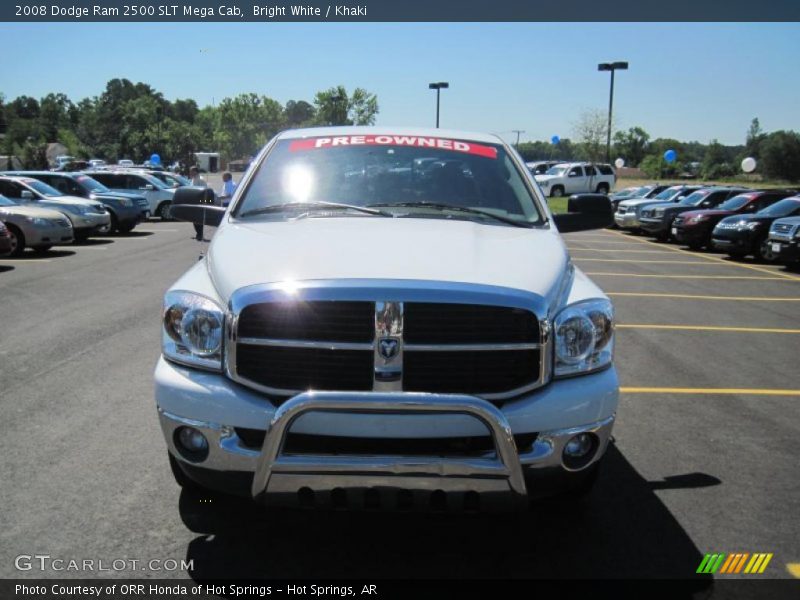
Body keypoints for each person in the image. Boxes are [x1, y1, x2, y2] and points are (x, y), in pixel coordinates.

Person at [189, 166, 208, 241]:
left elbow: (204, 191)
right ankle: (198, 234)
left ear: (195, 172)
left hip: (199, 202)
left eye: (191, 171)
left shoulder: (201, 180)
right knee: (194, 219)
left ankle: (200, 234)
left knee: (199, 219)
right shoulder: (193, 179)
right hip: (193, 202)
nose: (190, 173)